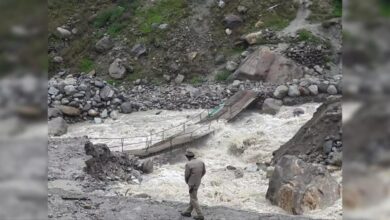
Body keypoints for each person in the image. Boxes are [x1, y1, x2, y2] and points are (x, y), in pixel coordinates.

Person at [181, 150, 206, 220]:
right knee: (193, 196)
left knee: (194, 199)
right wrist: (198, 178)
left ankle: (200, 215)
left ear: (187, 157)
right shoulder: (201, 162)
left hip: (192, 184)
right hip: (198, 182)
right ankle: (187, 212)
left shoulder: (188, 164)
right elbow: (204, 172)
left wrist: (188, 182)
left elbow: (186, 175)